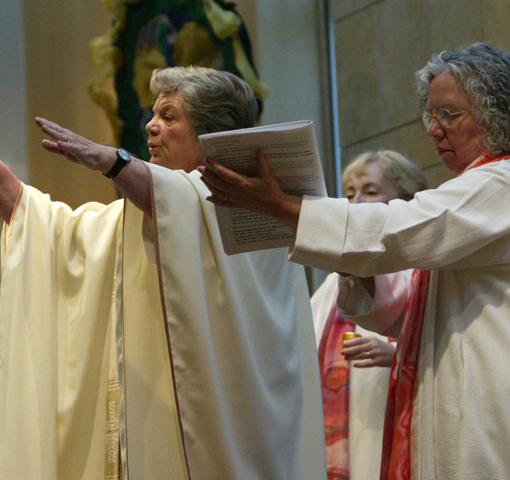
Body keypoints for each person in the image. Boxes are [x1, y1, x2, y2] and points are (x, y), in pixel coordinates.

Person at [0, 66, 326, 479]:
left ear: (212, 136)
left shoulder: (259, 213)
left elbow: (181, 200)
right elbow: (51, 230)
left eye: (169, 117)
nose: (151, 126)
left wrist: (113, 161)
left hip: (241, 439)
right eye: (153, 114)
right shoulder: (138, 216)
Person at [200, 42, 510, 479]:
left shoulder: (502, 180)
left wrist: (282, 207)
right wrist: (347, 259)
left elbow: (396, 231)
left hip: (488, 394)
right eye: (431, 115)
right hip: (458, 388)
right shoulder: (478, 185)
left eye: (450, 115)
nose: (433, 130)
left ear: (496, 112)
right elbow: (399, 316)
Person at [310, 150, 427, 480]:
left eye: (370, 191)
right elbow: (303, 344)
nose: (355, 202)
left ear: (405, 199)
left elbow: (448, 343)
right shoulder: (337, 280)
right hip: (347, 420)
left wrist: (395, 353)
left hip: (397, 414)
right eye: (349, 193)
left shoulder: (425, 268)